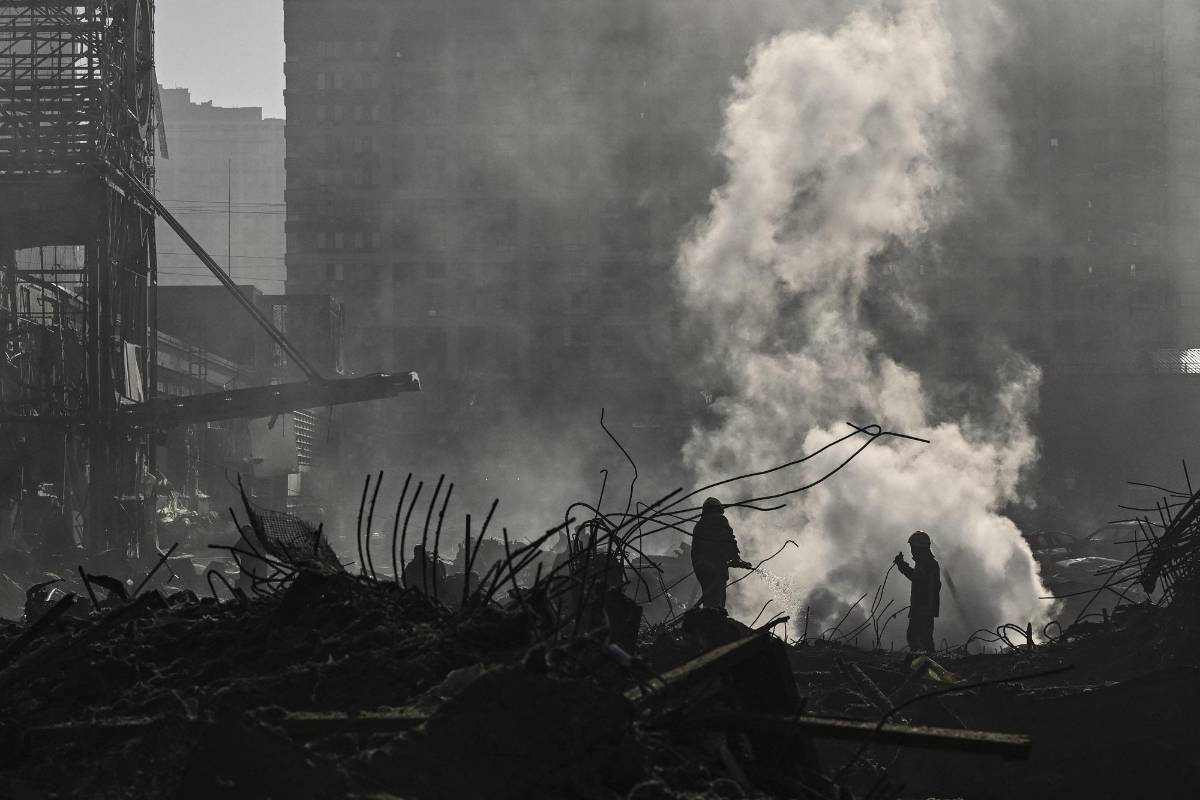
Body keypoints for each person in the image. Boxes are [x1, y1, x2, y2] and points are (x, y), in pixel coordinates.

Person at [690, 497, 749, 611]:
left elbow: (697, 550)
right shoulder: (720, 520)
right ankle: (714, 624)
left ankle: (705, 623)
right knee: (718, 602)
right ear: (718, 509)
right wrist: (736, 560)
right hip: (715, 568)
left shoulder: (699, 525)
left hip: (700, 568)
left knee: (708, 599)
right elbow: (728, 540)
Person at [894, 530, 942, 652]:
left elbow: (916, 578)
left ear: (919, 548)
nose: (911, 550)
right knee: (923, 638)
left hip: (923, 608)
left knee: (915, 637)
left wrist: (901, 565)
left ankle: (925, 663)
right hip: (926, 608)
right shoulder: (929, 564)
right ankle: (927, 661)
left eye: (913, 547)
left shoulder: (926, 565)